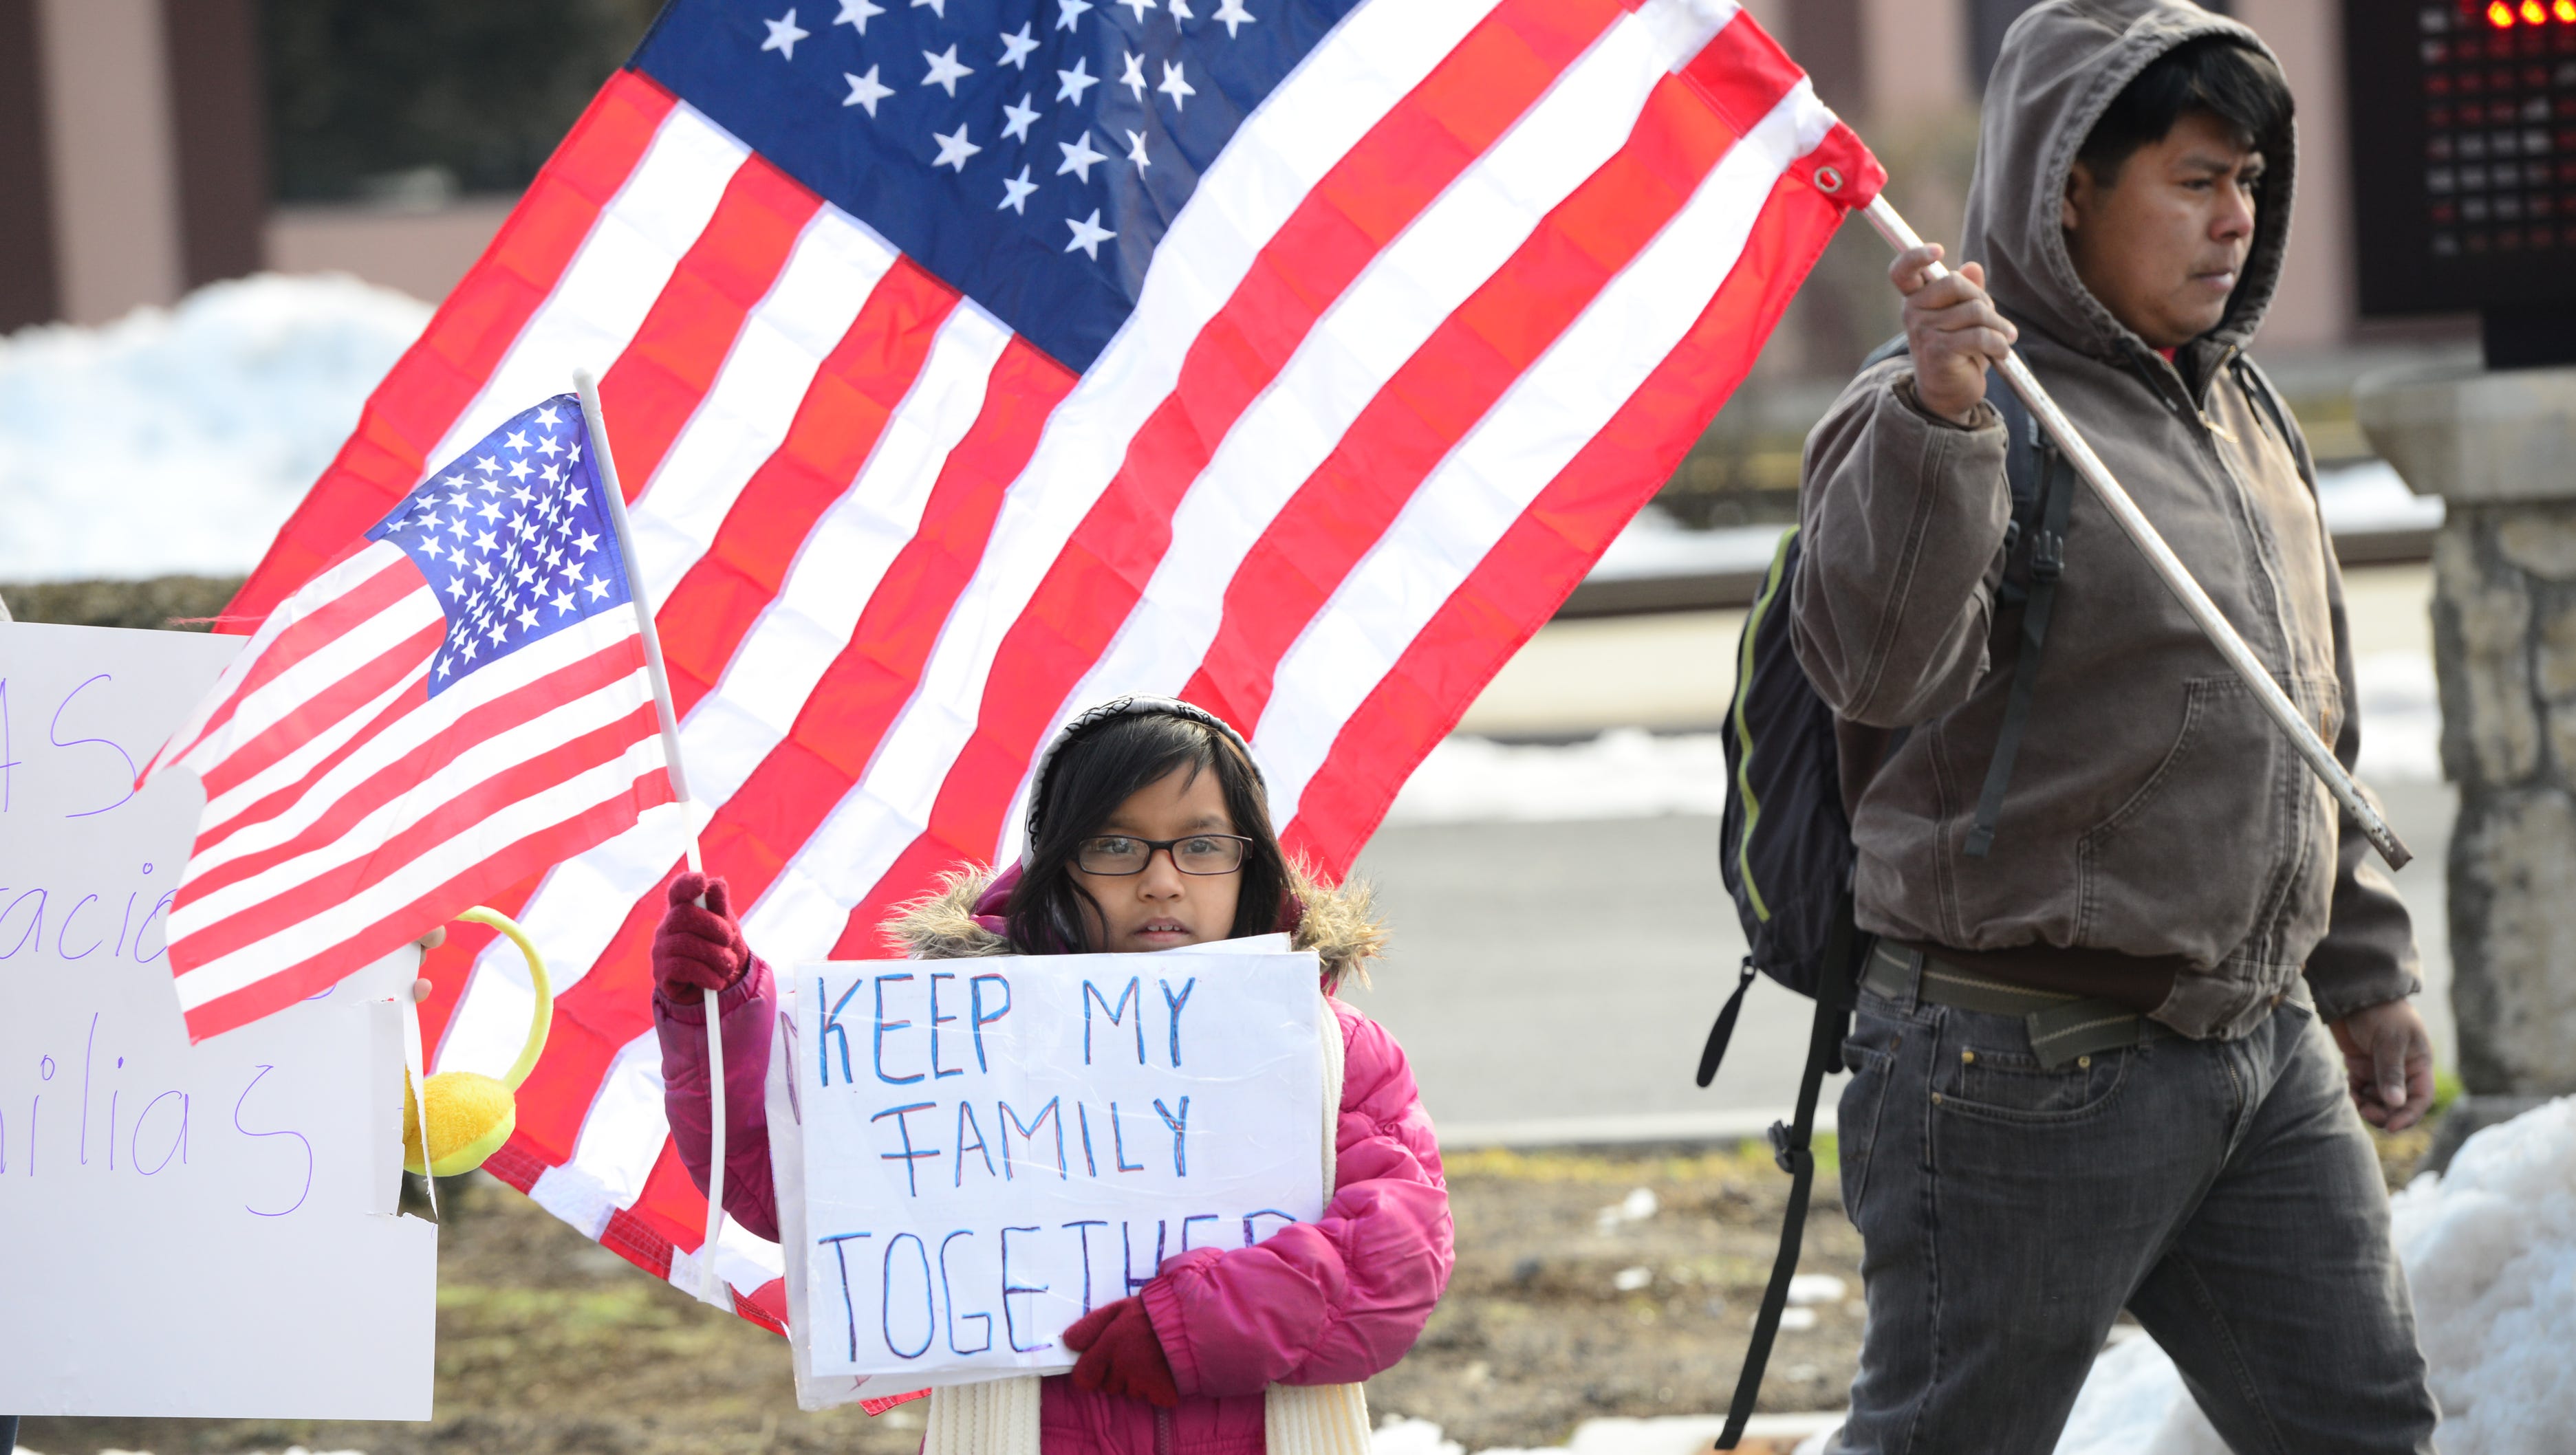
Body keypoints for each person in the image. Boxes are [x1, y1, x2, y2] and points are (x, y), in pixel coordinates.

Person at [1790, 3, 2440, 1450]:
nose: (2234, 219)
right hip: (2017, 1065)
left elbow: (2302, 715)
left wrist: (2363, 963)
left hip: (2258, 1051)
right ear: (2069, 184)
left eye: (2251, 184)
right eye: (2195, 179)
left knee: (2363, 1427)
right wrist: (1948, 423)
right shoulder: (1938, 404)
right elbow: (1880, 673)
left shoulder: (2243, 409)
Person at [649, 696, 1453, 1453]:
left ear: (1253, 868)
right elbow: (780, 1184)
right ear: (1054, 865)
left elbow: (1396, 1256)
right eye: (1114, 845)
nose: (1162, 878)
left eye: (1203, 845)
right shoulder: (953, 1043)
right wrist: (720, 1018)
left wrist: (1193, 1327)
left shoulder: (1337, 1052)